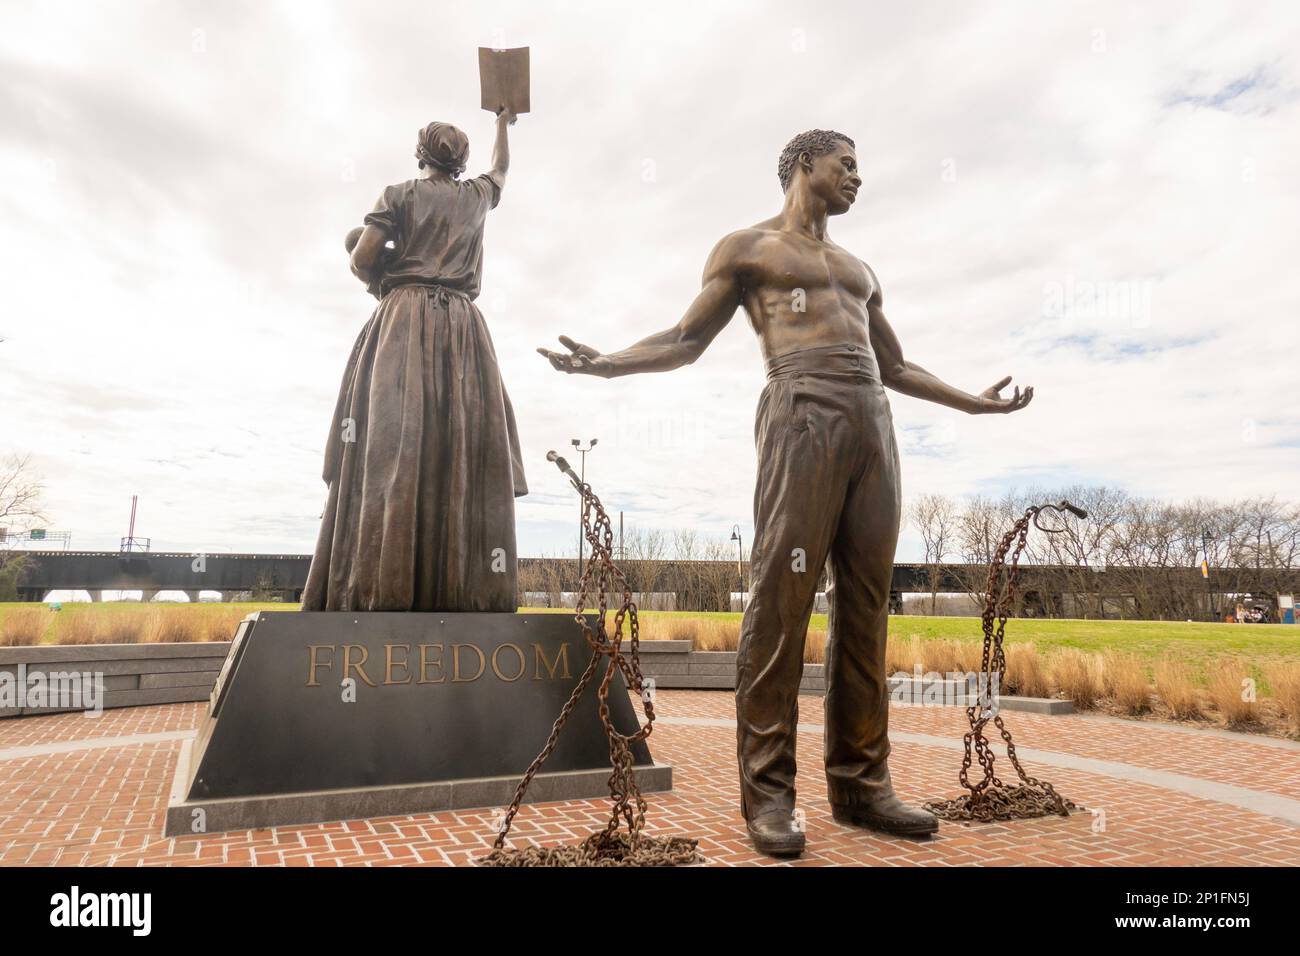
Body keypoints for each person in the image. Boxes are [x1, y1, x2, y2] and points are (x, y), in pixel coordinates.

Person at [539, 129, 1033, 856]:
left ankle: (863, 786)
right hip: (802, 410)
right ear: (807, 164)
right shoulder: (749, 249)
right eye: (848, 164)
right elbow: (683, 339)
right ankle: (769, 796)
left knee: (866, 608)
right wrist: (606, 364)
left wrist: (974, 405)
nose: (859, 178)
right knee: (780, 605)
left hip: (873, 422)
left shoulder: (858, 268)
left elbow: (895, 365)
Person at [303, 110, 527, 612]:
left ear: (420, 155)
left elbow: (362, 258)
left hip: (403, 320)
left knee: (392, 445)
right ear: (462, 162)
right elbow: (502, 169)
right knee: (460, 445)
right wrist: (503, 123)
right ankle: (463, 590)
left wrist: (384, 282)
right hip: (464, 328)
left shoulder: (398, 193)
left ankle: (384, 586)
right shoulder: (476, 196)